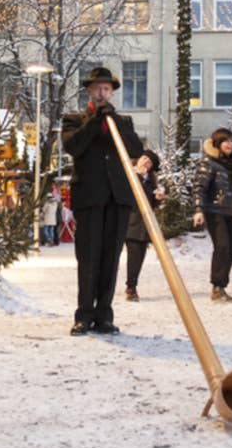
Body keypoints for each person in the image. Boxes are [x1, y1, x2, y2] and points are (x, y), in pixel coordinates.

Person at [61, 66, 144, 336]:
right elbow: (74, 146)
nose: (102, 92)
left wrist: (114, 122)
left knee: (110, 258)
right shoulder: (74, 120)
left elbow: (135, 149)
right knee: (88, 258)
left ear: (112, 93)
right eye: (97, 88)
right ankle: (84, 315)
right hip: (89, 198)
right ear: (89, 90)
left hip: (118, 199)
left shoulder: (124, 122)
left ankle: (104, 316)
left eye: (106, 89)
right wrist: (96, 121)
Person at [192, 128, 232, 303]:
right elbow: (199, 187)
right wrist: (198, 210)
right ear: (217, 144)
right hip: (215, 210)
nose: (229, 144)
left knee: (231, 249)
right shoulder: (209, 162)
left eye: (231, 141)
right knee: (223, 246)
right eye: (225, 141)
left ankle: (222, 287)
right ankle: (217, 287)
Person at [123, 150, 164, 302]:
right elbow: (130, 195)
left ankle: (132, 285)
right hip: (131, 222)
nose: (146, 162)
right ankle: (130, 287)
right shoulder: (130, 175)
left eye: (150, 162)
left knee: (139, 257)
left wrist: (158, 199)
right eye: (145, 158)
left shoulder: (150, 181)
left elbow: (151, 204)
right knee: (133, 256)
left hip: (146, 224)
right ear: (138, 159)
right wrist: (139, 176)